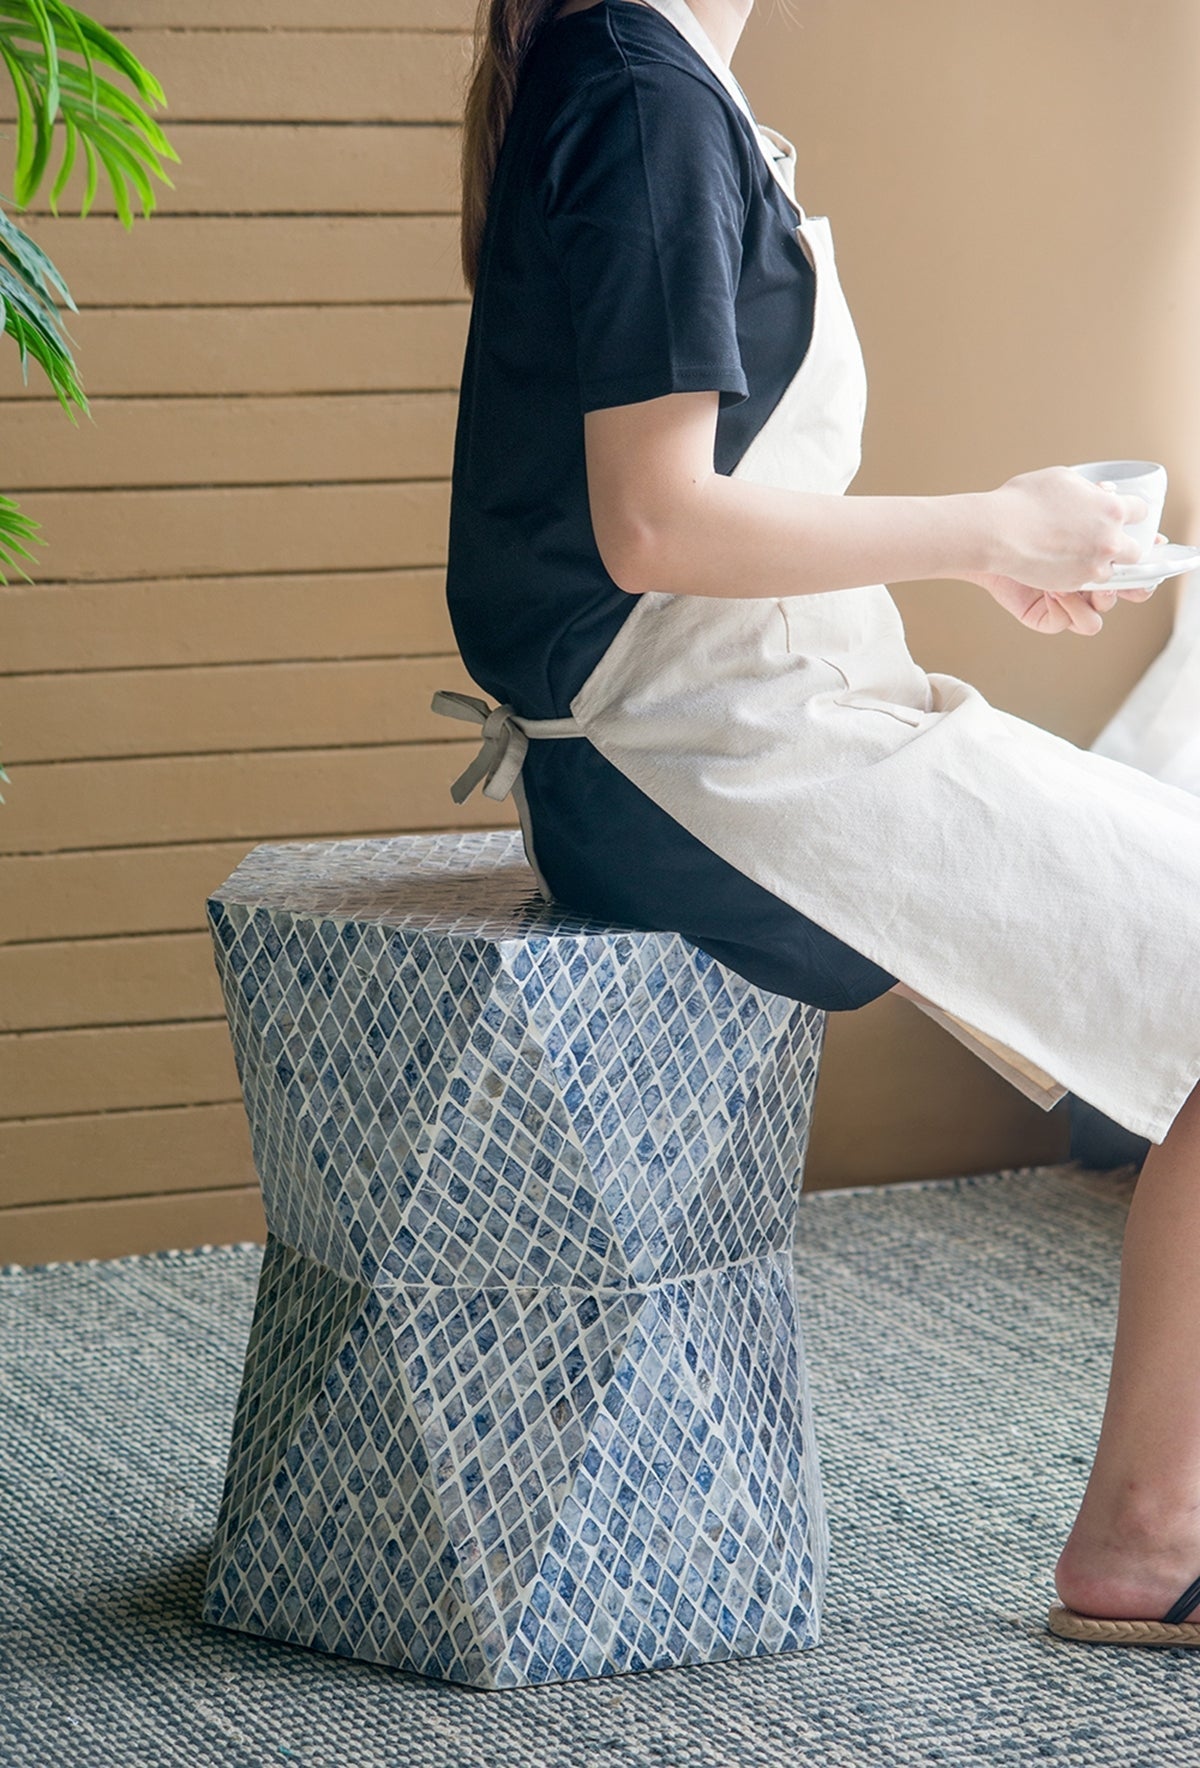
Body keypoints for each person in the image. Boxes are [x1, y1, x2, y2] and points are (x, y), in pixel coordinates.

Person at [435, 0, 1200, 1646]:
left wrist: (984, 555)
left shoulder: (647, 76)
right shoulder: (637, 83)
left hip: (738, 726)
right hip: (699, 769)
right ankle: (1151, 1541)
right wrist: (987, 517)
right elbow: (652, 524)